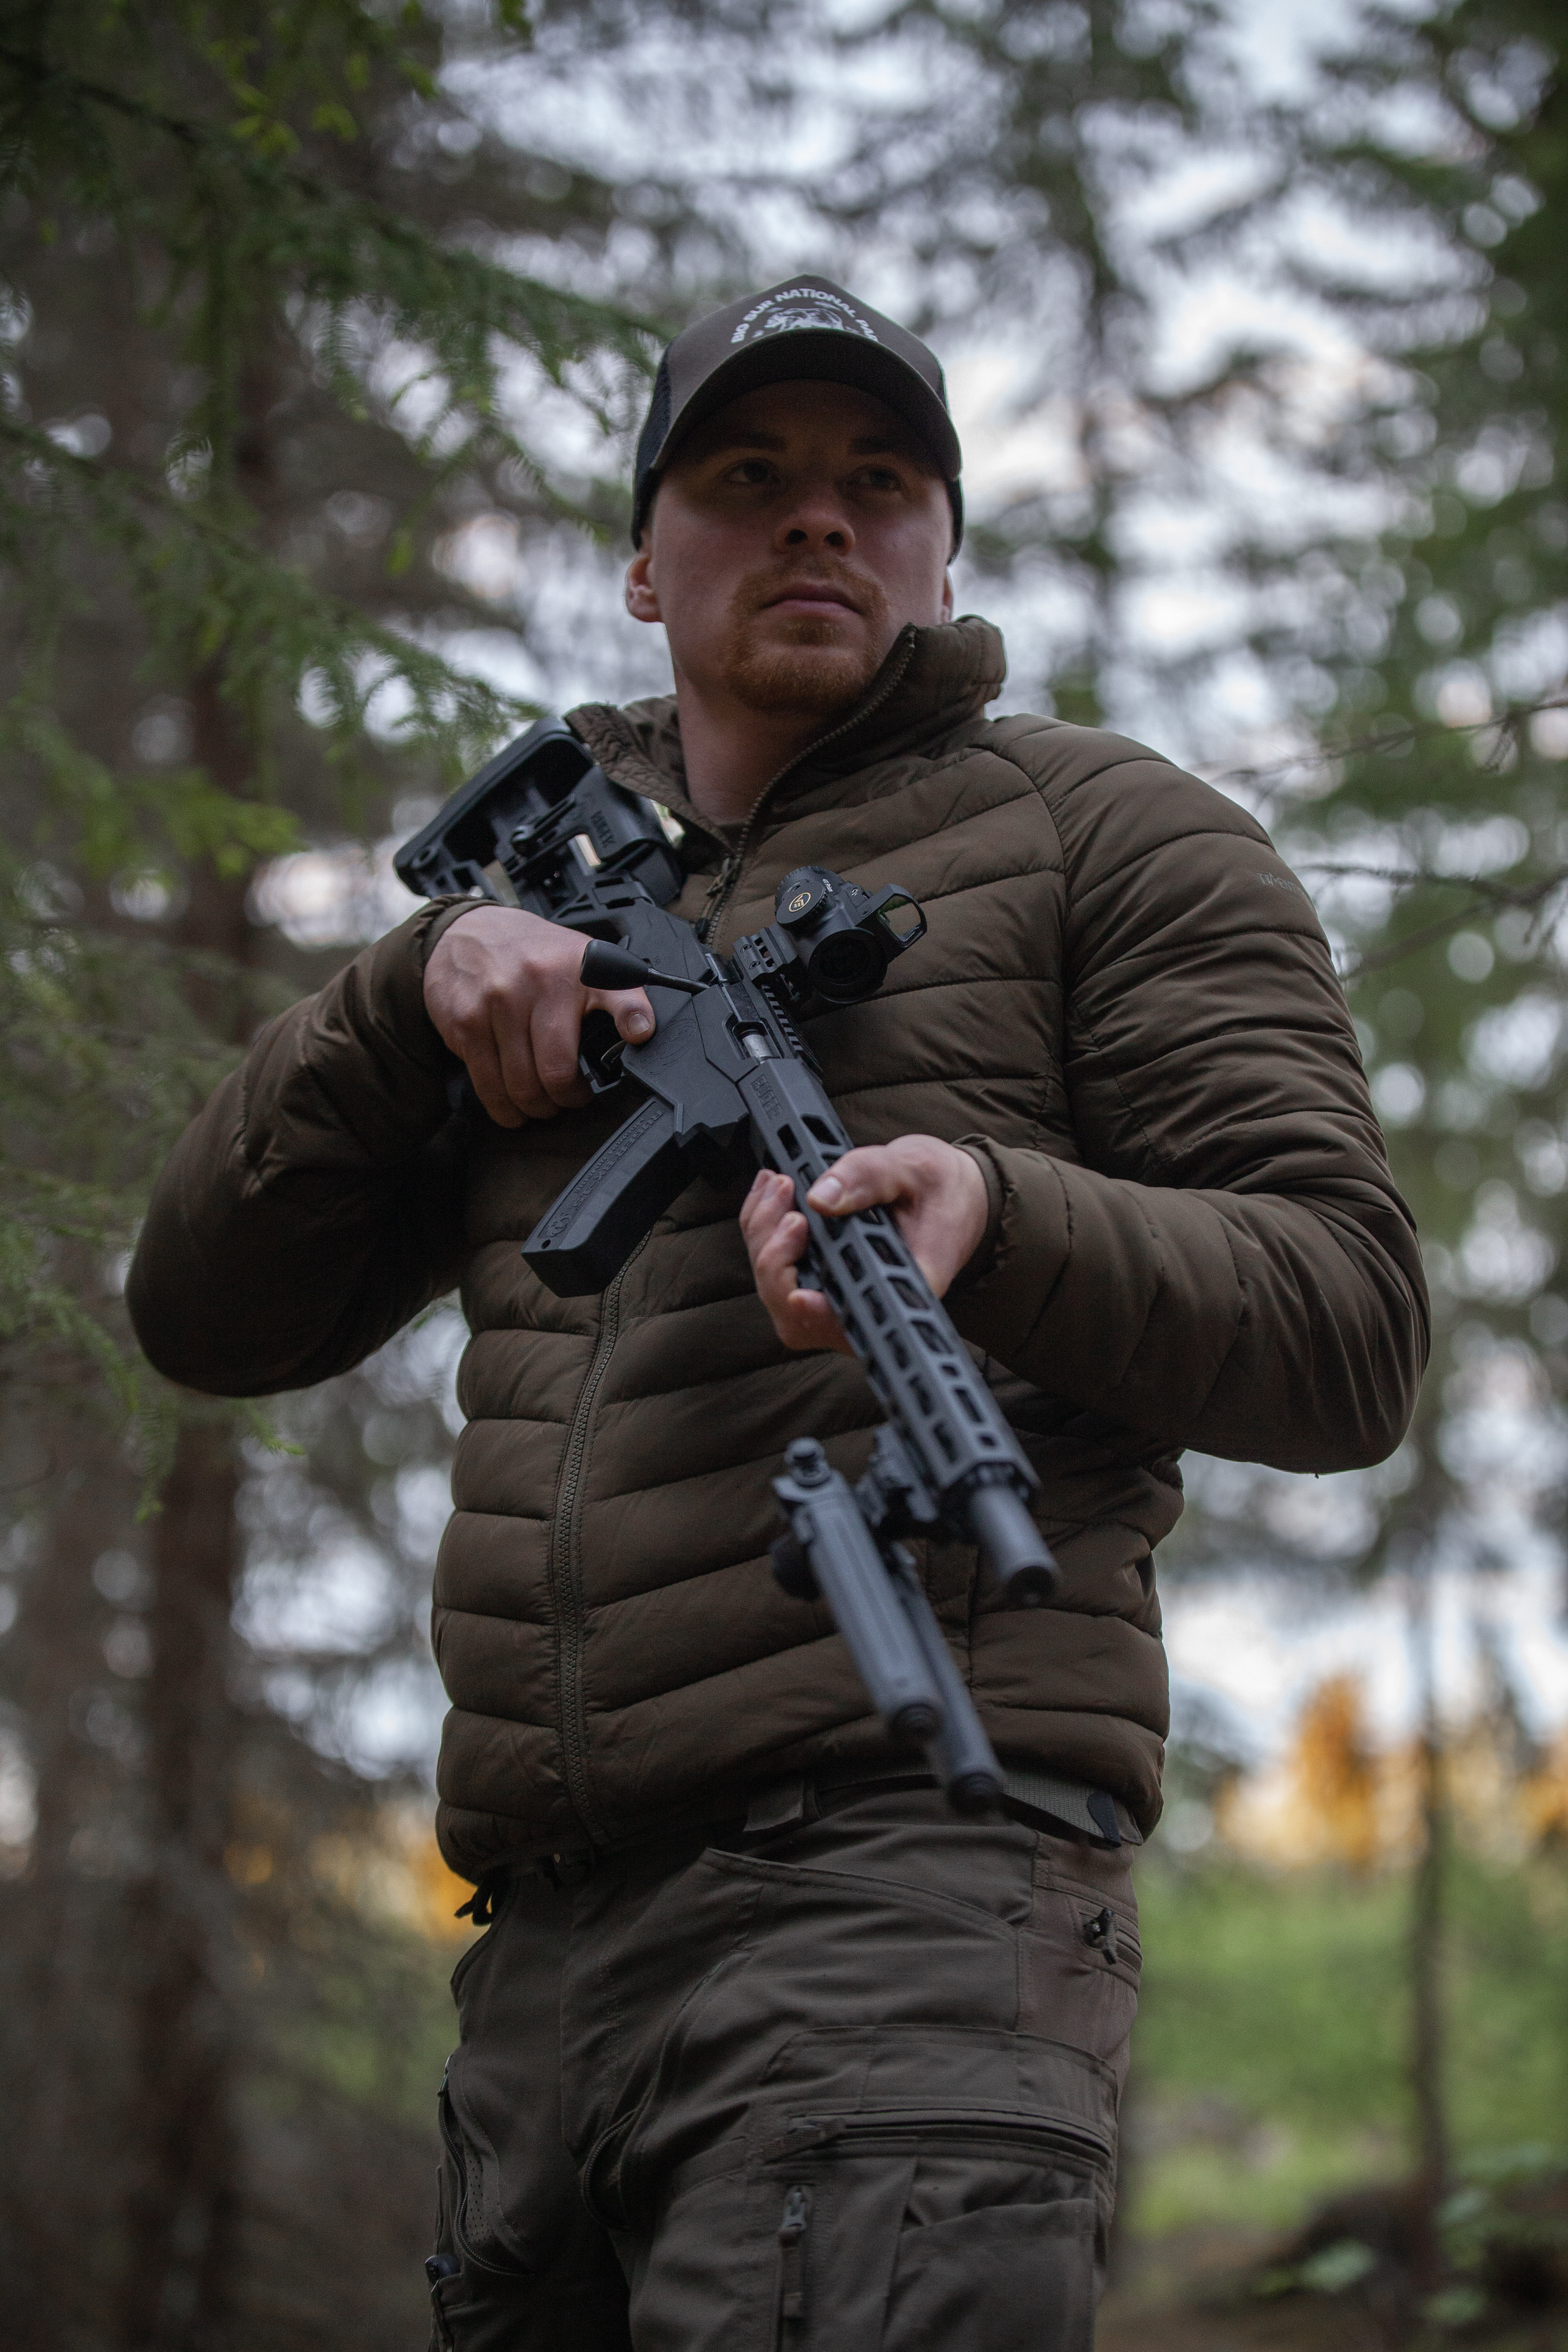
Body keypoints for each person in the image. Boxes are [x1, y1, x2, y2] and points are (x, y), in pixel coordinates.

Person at [128, 276, 1429, 2350]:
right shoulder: (531, 933)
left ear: (943, 554)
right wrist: (400, 1003)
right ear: (646, 567)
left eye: (878, 480)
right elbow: (204, 1314)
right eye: (749, 477)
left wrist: (999, 1215)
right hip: (537, 1971)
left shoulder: (1114, 837)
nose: (819, 517)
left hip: (911, 1889)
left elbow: (1349, 1326)